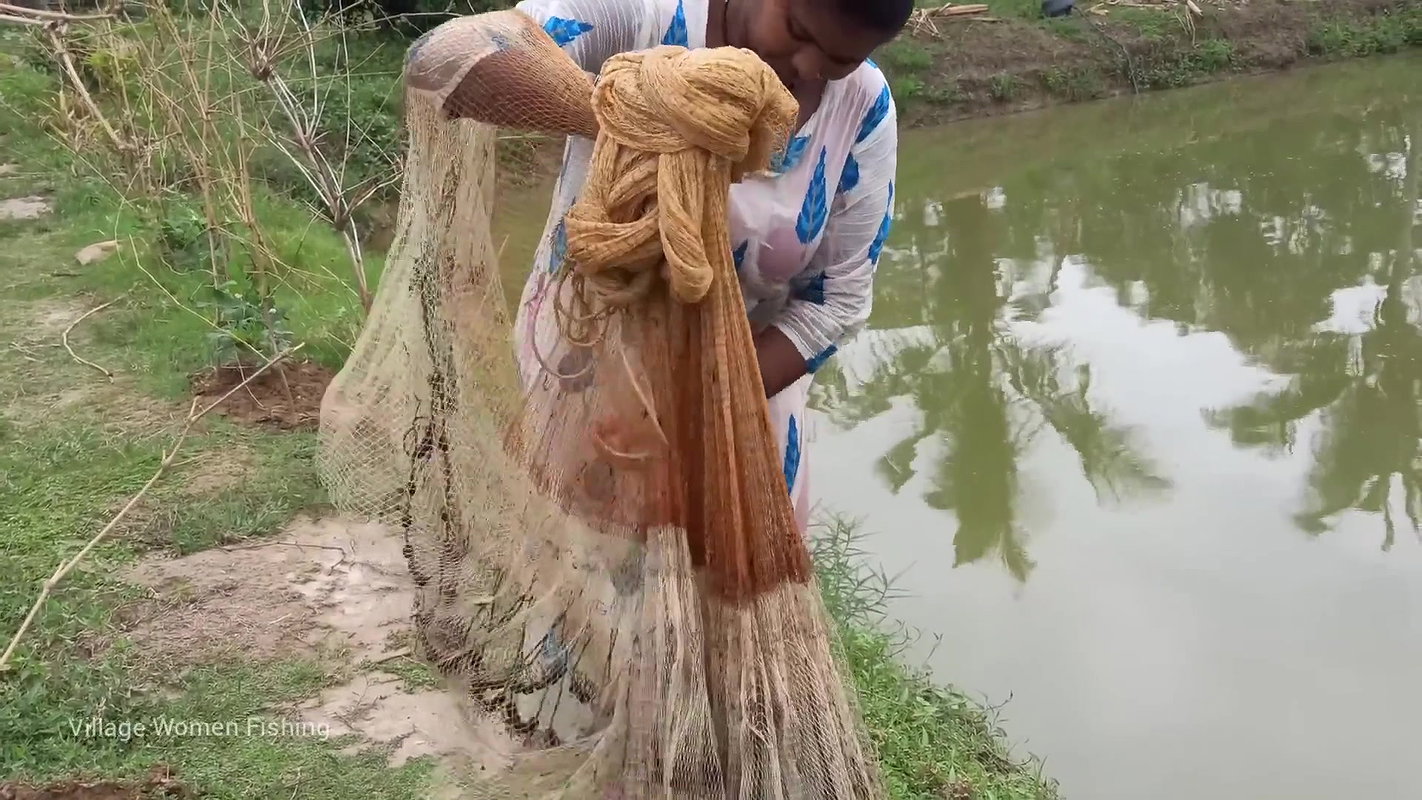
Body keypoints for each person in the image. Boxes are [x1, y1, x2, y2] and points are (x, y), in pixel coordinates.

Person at [409, 0, 912, 533]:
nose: (810, 66)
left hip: (736, 409)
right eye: (797, 30)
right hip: (585, 387)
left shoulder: (862, 107)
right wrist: (633, 118)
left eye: (839, 59)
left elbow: (836, 303)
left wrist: (691, 411)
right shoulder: (641, 12)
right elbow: (441, 59)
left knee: (717, 602)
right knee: (573, 585)